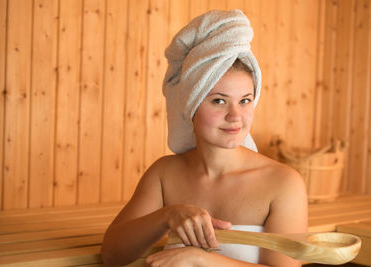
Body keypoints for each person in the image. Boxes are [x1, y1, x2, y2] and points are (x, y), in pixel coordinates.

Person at [101, 9, 307, 267]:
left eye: (245, 101)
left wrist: (201, 260)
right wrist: (168, 215)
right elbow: (111, 255)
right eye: (219, 101)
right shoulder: (165, 174)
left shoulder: (283, 183)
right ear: (192, 105)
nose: (235, 115)